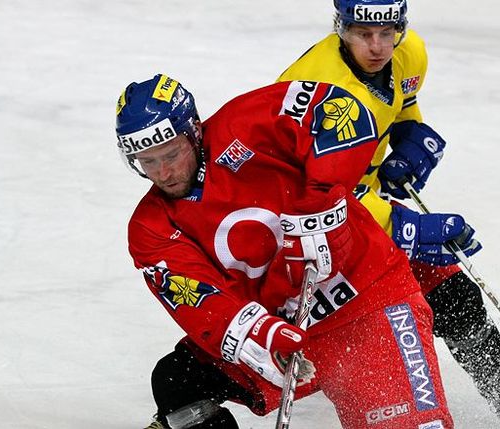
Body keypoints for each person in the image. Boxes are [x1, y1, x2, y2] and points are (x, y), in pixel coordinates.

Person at [117, 74, 470, 428]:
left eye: (172, 154)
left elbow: (343, 112)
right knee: (178, 382)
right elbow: (201, 300)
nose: (163, 172)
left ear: (194, 131)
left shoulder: (248, 123)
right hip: (285, 336)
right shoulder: (152, 227)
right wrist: (262, 337)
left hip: (365, 304)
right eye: (147, 161)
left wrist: (319, 205)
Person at [276, 1, 500, 428]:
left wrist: (408, 135)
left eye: (387, 31)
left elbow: (400, 105)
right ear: (340, 28)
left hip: (365, 210)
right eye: (361, 33)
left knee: (457, 299)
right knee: (331, 337)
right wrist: (401, 224)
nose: (376, 46)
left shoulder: (410, 53)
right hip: (308, 229)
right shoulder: (309, 88)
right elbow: (304, 192)